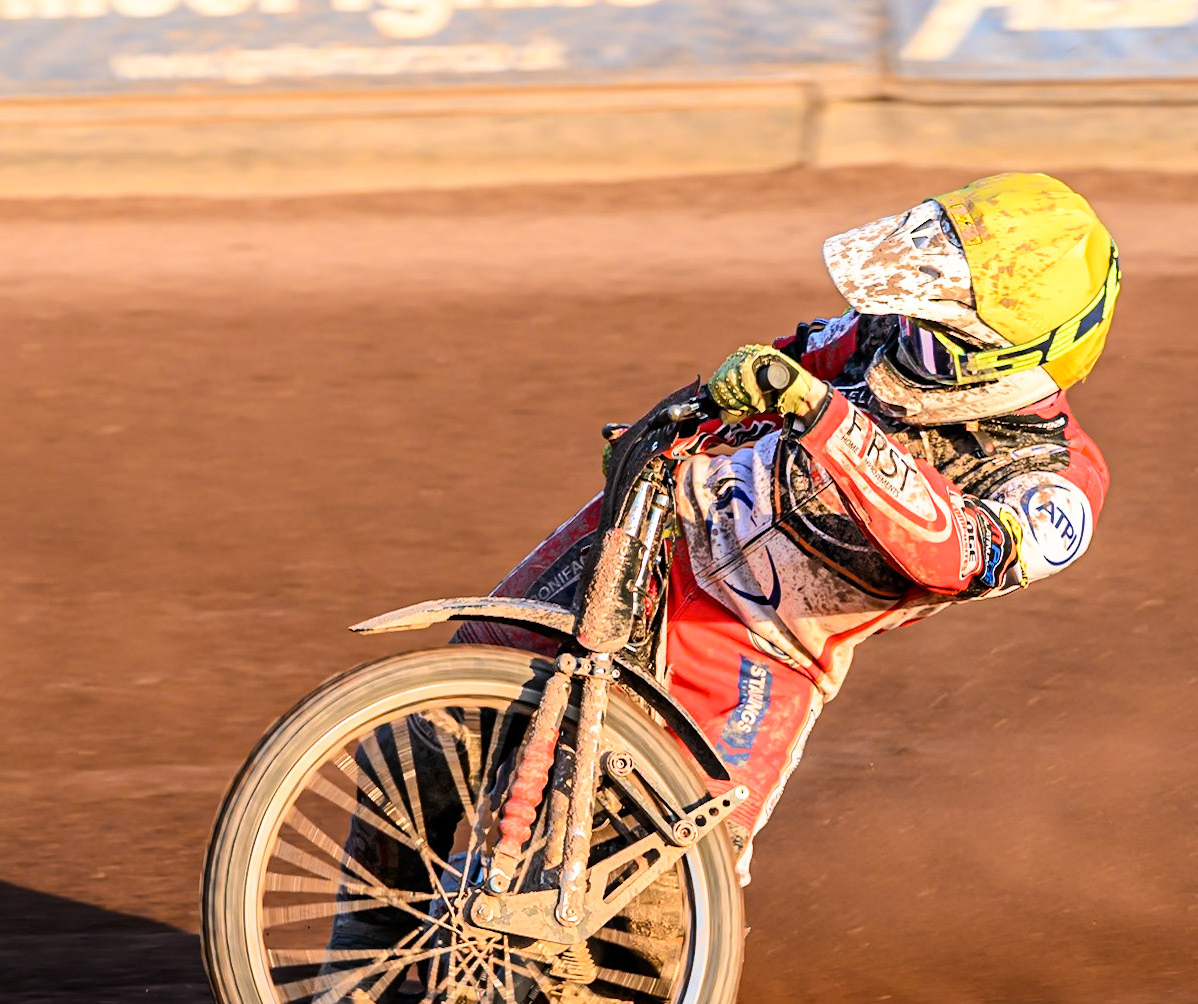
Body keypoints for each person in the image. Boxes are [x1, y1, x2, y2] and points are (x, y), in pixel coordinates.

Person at [457, 172, 1117, 885]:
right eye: (912, 307)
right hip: (658, 528)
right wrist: (675, 421)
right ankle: (353, 944)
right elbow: (786, 361)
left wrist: (821, 414)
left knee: (665, 878)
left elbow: (953, 552)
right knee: (437, 726)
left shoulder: (1054, 483)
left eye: (933, 332)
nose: (902, 333)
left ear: (1005, 355)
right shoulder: (886, 331)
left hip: (756, 650)